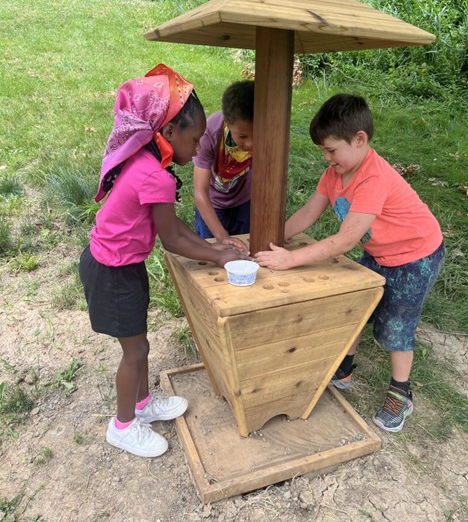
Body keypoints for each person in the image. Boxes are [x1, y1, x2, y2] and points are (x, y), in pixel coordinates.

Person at [79, 64, 244, 457]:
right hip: (111, 272)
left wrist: (218, 249)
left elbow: (176, 227)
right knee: (134, 351)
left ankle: (142, 405)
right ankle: (123, 426)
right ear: (168, 132)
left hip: (122, 265)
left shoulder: (150, 164)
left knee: (141, 345)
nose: (197, 146)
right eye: (194, 138)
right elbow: (172, 240)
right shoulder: (155, 176)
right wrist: (217, 256)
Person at [255, 94, 445, 433]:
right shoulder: (334, 173)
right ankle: (343, 367)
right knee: (356, 307)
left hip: (416, 256)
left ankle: (401, 392)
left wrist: (292, 259)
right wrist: (274, 239)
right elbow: (309, 213)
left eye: (331, 150)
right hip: (381, 253)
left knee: (395, 326)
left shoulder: (373, 178)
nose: (327, 158)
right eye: (323, 151)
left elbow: (345, 240)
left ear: (360, 139)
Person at [193, 80, 254, 253]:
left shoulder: (267, 134)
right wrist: (221, 235)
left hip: (244, 201)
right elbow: (200, 192)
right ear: (227, 122)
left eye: (256, 135)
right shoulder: (209, 134)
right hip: (212, 204)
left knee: (244, 251)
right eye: (242, 136)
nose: (250, 143)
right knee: (212, 252)